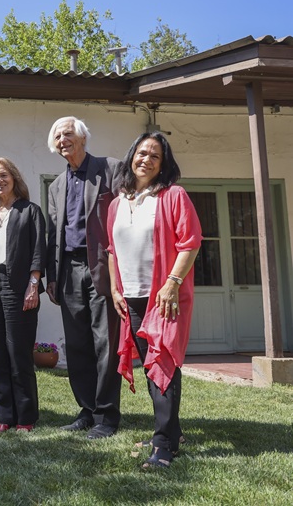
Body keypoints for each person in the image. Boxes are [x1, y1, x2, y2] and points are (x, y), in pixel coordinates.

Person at [107, 132, 202, 469]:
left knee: (163, 364)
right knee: (151, 367)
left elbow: (190, 242)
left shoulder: (173, 196)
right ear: (131, 157)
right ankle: (171, 432)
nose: (146, 159)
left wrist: (172, 283)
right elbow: (112, 250)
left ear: (163, 165)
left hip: (163, 297)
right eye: (142, 153)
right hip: (130, 297)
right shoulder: (117, 203)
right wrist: (115, 289)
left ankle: (163, 445)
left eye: (154, 156)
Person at [46, 116, 122, 439]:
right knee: (77, 343)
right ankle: (87, 410)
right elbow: (53, 234)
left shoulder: (110, 168)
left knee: (105, 341)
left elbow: (124, 216)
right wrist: (52, 276)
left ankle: (107, 415)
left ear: (82, 137)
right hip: (68, 270)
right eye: (57, 137)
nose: (62, 140)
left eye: (67, 134)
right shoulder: (55, 186)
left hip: (102, 266)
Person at [0, 157, 46, 434]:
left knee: (18, 352)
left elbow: (38, 250)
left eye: (3, 175)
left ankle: (25, 417)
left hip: (18, 286)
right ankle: (4, 416)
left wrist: (33, 285)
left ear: (14, 177)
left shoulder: (30, 211)